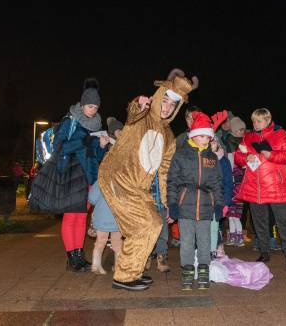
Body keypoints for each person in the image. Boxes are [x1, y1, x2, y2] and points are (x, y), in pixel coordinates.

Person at [98, 69, 198, 291]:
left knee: (154, 222)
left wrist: (166, 202)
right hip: (118, 178)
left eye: (173, 105)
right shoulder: (142, 115)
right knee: (142, 224)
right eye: (165, 101)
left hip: (139, 188)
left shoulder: (169, 135)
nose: (167, 107)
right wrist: (138, 103)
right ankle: (124, 276)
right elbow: (132, 113)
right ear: (158, 97)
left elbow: (164, 171)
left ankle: (130, 272)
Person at [52, 77, 110, 272]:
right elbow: (59, 147)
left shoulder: (96, 124)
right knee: (71, 217)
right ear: (82, 104)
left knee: (82, 217)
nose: (92, 110)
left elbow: (95, 155)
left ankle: (79, 256)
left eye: (95, 107)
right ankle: (72, 258)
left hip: (89, 178)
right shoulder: (70, 121)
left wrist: (101, 146)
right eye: (89, 106)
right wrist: (83, 141)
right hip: (71, 174)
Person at [167, 111, 224, 290]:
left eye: (208, 136)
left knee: (205, 241)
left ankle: (204, 272)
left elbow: (217, 182)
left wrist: (219, 204)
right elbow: (173, 181)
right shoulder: (181, 155)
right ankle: (187, 273)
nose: (205, 140)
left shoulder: (212, 158)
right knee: (187, 242)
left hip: (206, 206)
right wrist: (173, 204)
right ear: (193, 135)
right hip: (186, 206)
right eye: (202, 136)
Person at [234, 108, 286, 267]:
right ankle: (264, 252)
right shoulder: (248, 137)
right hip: (255, 187)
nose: (255, 124)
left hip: (276, 186)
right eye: (254, 121)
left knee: (284, 222)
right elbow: (237, 156)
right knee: (259, 222)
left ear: (268, 120)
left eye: (259, 121)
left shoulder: (280, 134)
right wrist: (245, 157)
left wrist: (272, 155)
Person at [88, 180, 122, 275]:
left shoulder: (101, 180)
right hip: (118, 217)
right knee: (117, 243)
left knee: (100, 242)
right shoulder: (122, 178)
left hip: (102, 216)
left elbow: (92, 198)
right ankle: (118, 266)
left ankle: (96, 266)